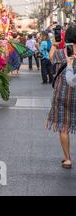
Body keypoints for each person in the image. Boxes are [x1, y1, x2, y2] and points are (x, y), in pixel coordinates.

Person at [47, 24, 76, 169]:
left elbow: (50, 58)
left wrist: (54, 44)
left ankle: (68, 159)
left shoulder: (61, 53)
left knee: (64, 127)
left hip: (62, 93)